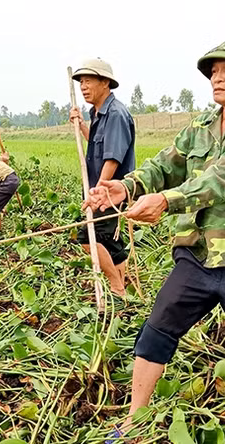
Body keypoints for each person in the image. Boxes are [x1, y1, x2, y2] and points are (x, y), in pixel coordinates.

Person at [84, 38, 225, 427]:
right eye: (213, 71)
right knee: (156, 329)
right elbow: (163, 166)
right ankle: (133, 419)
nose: (217, 77)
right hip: (197, 254)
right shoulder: (201, 126)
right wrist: (125, 187)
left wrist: (165, 201)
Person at [69, 58, 135, 297]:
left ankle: (116, 287)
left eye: (88, 81)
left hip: (110, 190)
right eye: (81, 82)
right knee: (110, 242)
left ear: (105, 82)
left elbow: (113, 158)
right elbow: (97, 146)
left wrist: (97, 191)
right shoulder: (97, 113)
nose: (83, 87)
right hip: (102, 189)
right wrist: (82, 126)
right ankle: (124, 286)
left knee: (87, 236)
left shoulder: (116, 114)